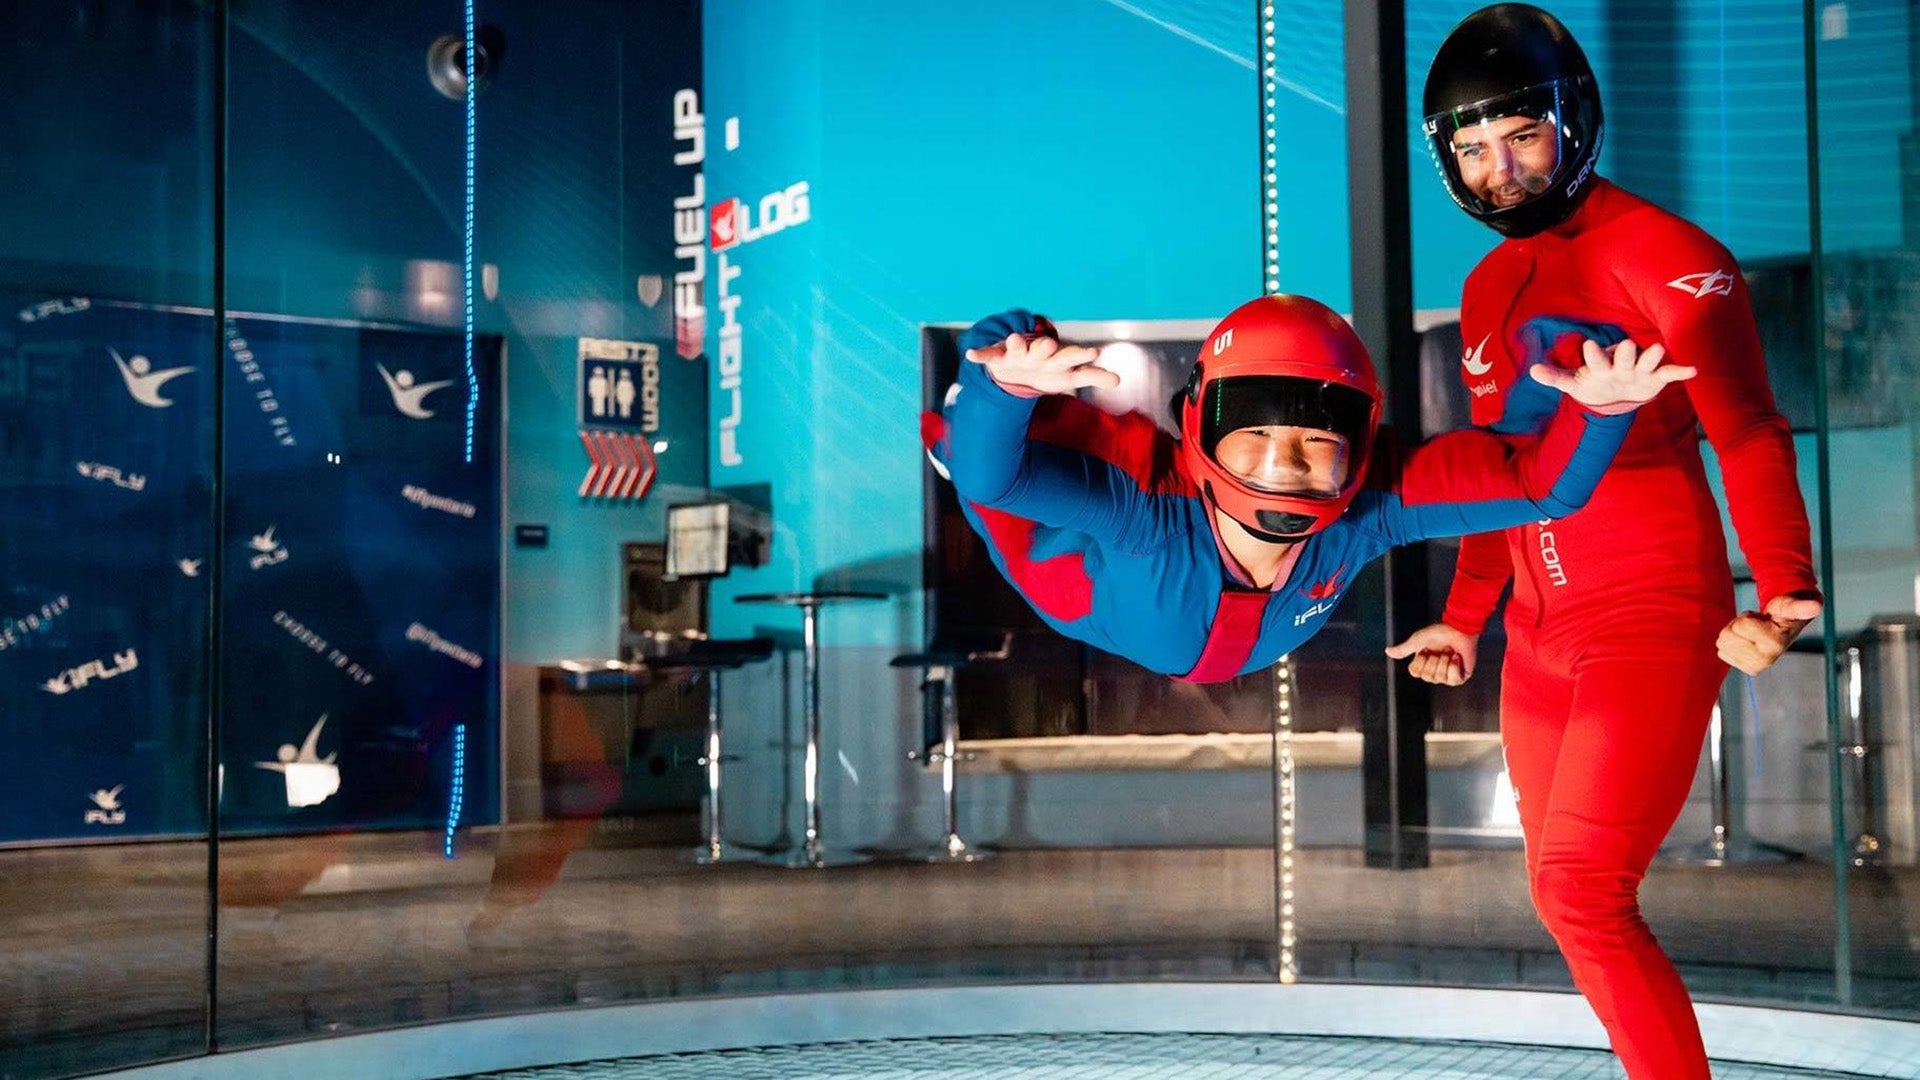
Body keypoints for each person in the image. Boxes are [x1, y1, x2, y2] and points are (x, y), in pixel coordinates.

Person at [1388, 7, 1823, 1077]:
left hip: (1651, 617)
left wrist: (1783, 589)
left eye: (1520, 135)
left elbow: (1748, 429)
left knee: (1583, 890)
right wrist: (1464, 619)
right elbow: (1501, 481)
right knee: (1563, 895)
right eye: (1472, 150)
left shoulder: (1669, 254)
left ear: (1571, 120)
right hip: (1536, 639)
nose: (1499, 171)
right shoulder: (1487, 288)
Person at [926, 294, 1694, 683]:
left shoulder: (1369, 508)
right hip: (1082, 587)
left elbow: (1542, 487)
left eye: (1317, 441)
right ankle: (972, 400)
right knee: (983, 476)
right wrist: (1005, 389)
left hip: (1181, 620)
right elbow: (999, 478)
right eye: (1255, 437)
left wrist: (1600, 407)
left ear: (1360, 445)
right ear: (1199, 427)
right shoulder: (1148, 508)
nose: (1286, 466)